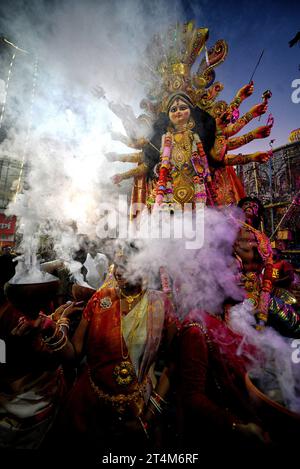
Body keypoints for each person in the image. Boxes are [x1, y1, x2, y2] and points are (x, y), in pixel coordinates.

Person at [59, 247, 179, 451]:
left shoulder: (160, 305)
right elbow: (74, 353)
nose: (118, 271)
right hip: (90, 404)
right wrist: (56, 331)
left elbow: (174, 363)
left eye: (127, 265)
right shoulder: (100, 299)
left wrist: (150, 413)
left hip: (138, 406)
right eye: (117, 264)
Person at [177, 309, 270, 453]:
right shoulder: (196, 330)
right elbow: (193, 397)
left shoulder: (223, 316)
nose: (242, 286)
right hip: (216, 438)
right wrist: (236, 426)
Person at [234, 196, 300, 337]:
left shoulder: (261, 237)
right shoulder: (231, 230)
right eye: (246, 204)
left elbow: (268, 265)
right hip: (239, 291)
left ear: (259, 213)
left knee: (291, 320)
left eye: (254, 205)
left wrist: (266, 289)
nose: (250, 206)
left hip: (261, 290)